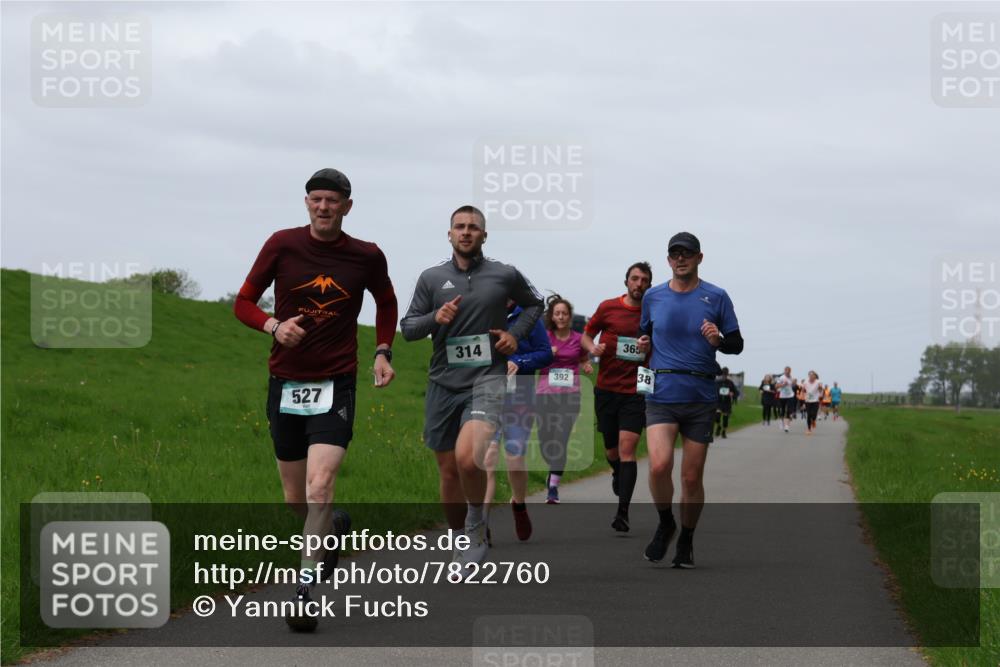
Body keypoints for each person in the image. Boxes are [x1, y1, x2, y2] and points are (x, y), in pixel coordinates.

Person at [233, 168, 398, 631]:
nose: (324, 207)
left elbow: (386, 302)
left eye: (333, 200)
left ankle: (304, 590)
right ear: (307, 203)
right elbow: (243, 301)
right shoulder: (282, 244)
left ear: (348, 206)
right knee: (294, 499)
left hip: (336, 382)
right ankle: (333, 528)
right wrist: (272, 326)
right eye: (316, 199)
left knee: (319, 485)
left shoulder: (366, 255)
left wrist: (383, 350)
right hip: (285, 381)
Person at [400, 205, 543, 571]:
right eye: (459, 227)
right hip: (443, 383)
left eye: (473, 227)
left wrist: (514, 335)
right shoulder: (431, 278)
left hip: (487, 379)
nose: (466, 232)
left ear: (484, 235)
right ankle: (460, 541)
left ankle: (476, 521)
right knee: (449, 471)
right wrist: (436, 317)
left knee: (469, 457)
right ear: (449, 234)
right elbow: (409, 327)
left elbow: (534, 304)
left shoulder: (503, 274)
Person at [636, 232, 743, 568]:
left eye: (687, 254)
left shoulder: (717, 296)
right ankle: (666, 521)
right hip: (662, 393)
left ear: (699, 258)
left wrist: (719, 339)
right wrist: (643, 346)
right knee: (658, 465)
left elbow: (736, 345)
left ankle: (686, 538)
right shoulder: (653, 297)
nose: (680, 259)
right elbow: (648, 336)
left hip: (699, 395)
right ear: (668, 260)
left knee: (691, 478)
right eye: (674, 254)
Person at [581, 262, 653, 532]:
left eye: (644, 280)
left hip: (635, 391)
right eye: (634, 278)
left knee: (627, 449)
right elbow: (587, 335)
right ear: (626, 282)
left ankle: (623, 512)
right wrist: (593, 348)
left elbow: (661, 344)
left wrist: (649, 346)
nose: (639, 284)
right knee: (612, 449)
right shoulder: (608, 307)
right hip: (606, 388)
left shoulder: (653, 312)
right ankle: (616, 472)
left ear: (648, 284)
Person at [483, 300, 553, 542]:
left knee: (514, 458)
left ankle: (519, 505)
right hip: (487, 396)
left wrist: (519, 362)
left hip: (519, 398)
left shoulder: (529, 318)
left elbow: (545, 353)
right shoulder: (483, 312)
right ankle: (482, 522)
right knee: (488, 459)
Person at [536, 294, 593, 504]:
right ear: (552, 316)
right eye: (557, 313)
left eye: (564, 313)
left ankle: (553, 487)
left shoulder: (578, 338)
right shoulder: (543, 337)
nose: (561, 317)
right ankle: (552, 469)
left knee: (560, 439)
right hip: (544, 395)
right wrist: (545, 354)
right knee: (545, 441)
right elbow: (533, 360)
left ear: (569, 317)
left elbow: (584, 358)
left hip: (570, 397)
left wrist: (586, 365)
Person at [714, 367, 740, 438]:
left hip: (727, 403)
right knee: (717, 416)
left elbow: (736, 392)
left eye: (725, 375)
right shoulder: (716, 382)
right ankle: (719, 426)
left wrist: (732, 394)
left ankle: (724, 431)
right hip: (718, 402)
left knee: (725, 419)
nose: (724, 376)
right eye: (723, 375)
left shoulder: (730, 383)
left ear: (727, 374)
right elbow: (712, 390)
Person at [776, 367, 796, 433]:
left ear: (790, 371)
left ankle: (787, 426)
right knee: (783, 410)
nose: (787, 372)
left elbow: (792, 385)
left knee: (789, 410)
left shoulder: (791, 378)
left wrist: (793, 383)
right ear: (784, 371)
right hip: (783, 396)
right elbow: (776, 386)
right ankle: (781, 422)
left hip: (790, 395)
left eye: (789, 371)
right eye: (786, 370)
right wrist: (783, 384)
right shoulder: (782, 377)